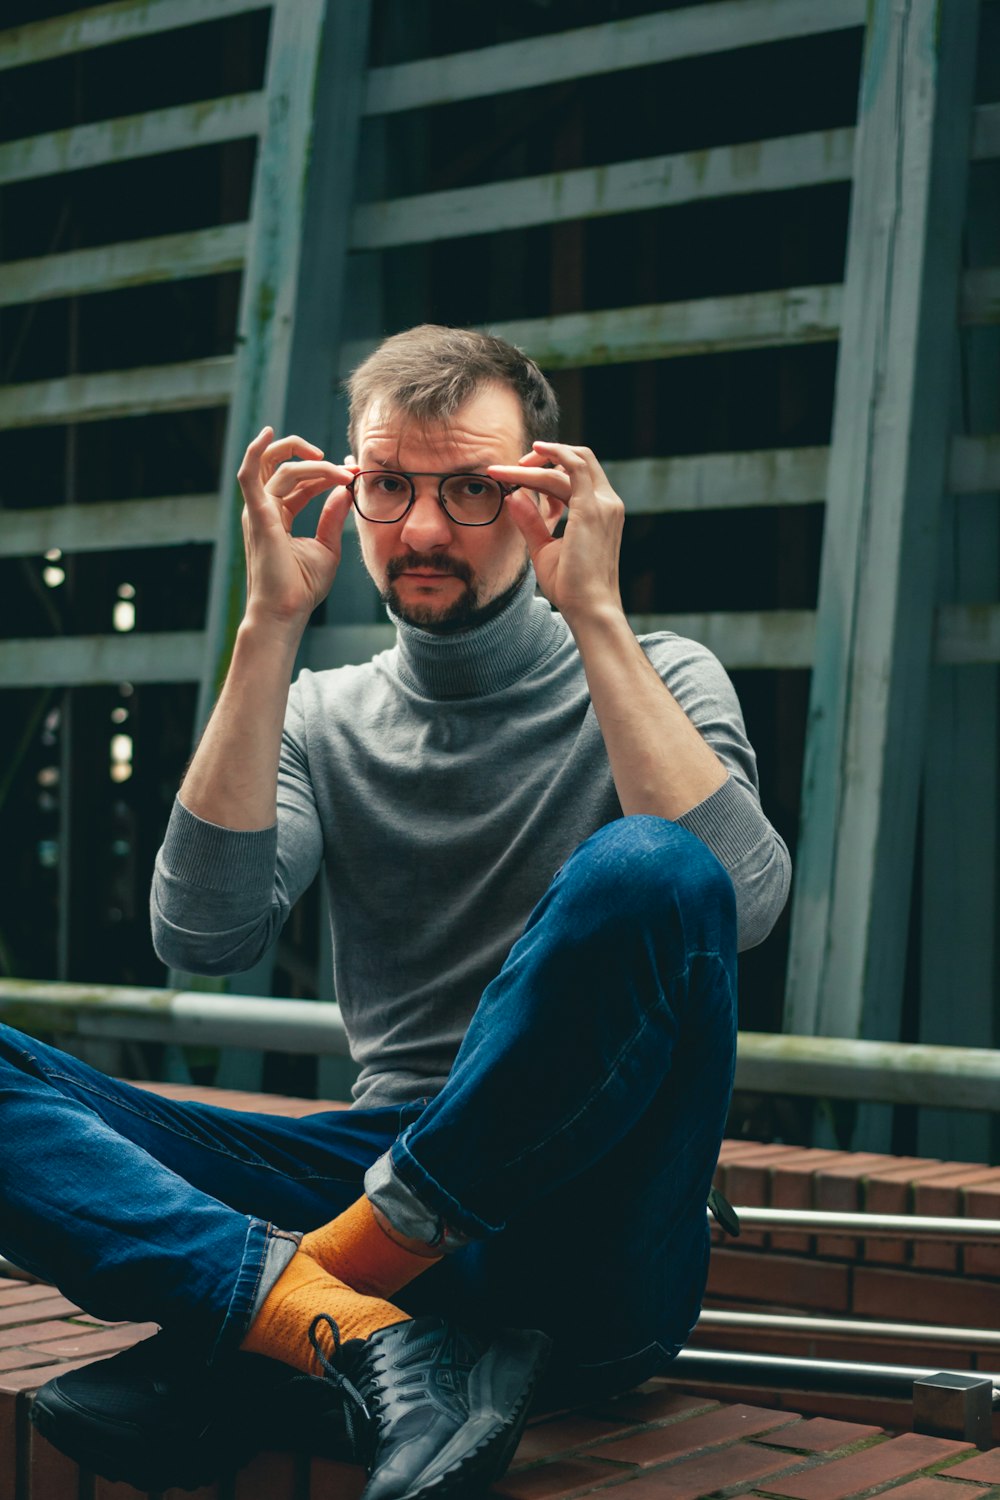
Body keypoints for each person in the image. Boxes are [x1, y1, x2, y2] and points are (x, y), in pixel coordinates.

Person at [4, 326, 790, 1500]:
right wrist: (267, 631)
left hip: (595, 1238)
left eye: (471, 489)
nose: (423, 531)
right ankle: (360, 1332)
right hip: (373, 1165)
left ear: (544, 496)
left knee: (648, 867)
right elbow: (203, 937)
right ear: (350, 490)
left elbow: (741, 906)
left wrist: (598, 620)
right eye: (389, 487)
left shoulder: (662, 673)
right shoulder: (320, 713)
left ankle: (296, 1309)